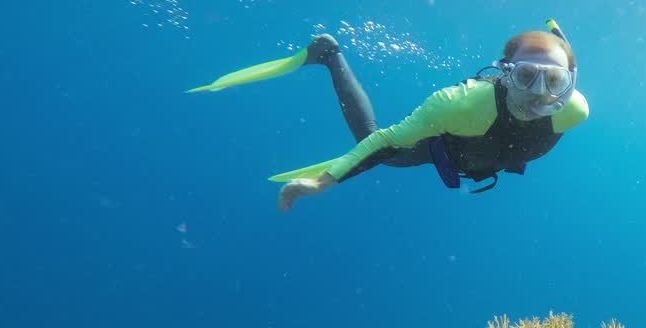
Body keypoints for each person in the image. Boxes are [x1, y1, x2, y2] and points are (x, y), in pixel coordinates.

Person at [188, 19, 589, 211]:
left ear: (570, 82)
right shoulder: (459, 104)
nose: (539, 94)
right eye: (525, 76)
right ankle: (329, 56)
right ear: (504, 73)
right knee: (383, 149)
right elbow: (381, 142)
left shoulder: (574, 112)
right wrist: (322, 183)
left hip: (484, 158)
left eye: (553, 81)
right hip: (445, 145)